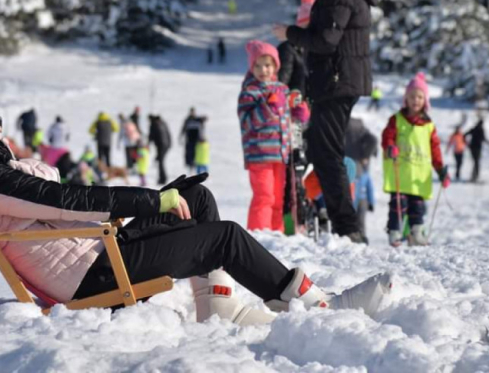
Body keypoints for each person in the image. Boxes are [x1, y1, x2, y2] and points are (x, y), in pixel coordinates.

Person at [0, 138, 393, 325]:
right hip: (91, 276)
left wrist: (163, 197)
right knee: (224, 237)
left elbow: (58, 198)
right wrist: (152, 202)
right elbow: (69, 199)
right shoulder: (3, 180)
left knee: (194, 197)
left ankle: (218, 305)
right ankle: (320, 307)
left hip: (98, 252)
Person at [273, 0, 377, 244]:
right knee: (325, 151)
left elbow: (325, 41)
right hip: (338, 81)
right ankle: (345, 224)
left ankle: (347, 227)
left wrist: (290, 33)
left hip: (337, 82)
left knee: (326, 153)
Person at [382, 73, 450, 247]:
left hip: (419, 175)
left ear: (425, 100)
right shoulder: (396, 120)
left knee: (417, 208)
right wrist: (390, 147)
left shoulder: (429, 126)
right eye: (412, 96)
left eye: (419, 97)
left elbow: (435, 150)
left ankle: (416, 233)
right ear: (406, 98)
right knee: (398, 205)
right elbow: (387, 137)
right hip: (401, 173)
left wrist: (441, 170)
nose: (415, 100)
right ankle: (395, 231)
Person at [238, 40, 291, 232]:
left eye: (267, 65)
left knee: (278, 199)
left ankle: (277, 235)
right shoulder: (250, 92)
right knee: (264, 196)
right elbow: (247, 122)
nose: (263, 70)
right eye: (258, 66)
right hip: (259, 155)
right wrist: (268, 107)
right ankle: (258, 235)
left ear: (275, 65)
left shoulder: (282, 89)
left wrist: (300, 114)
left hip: (280, 154)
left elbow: (286, 120)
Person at [277, 0, 314, 97]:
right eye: (307, 25)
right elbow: (282, 79)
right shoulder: (288, 49)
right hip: (294, 104)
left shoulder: (313, 48)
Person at [353, 158, 375, 238]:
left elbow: (370, 189)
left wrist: (371, 202)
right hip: (353, 199)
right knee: (353, 218)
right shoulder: (352, 173)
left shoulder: (366, 175)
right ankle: (353, 235)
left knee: (361, 219)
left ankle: (362, 236)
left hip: (363, 199)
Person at [148, 114, 172, 186]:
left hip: (160, 145)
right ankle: (163, 177)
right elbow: (168, 134)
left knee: (160, 162)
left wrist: (147, 143)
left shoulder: (153, 124)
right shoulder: (163, 122)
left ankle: (162, 179)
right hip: (166, 145)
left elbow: (151, 136)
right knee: (160, 161)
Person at [464, 116, 488, 183]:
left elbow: (464, 135)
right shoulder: (481, 130)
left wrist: (467, 143)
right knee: (476, 162)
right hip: (477, 148)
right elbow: (483, 138)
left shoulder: (474, 128)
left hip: (472, 147)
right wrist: (487, 142)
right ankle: (476, 176)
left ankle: (474, 176)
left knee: (475, 162)